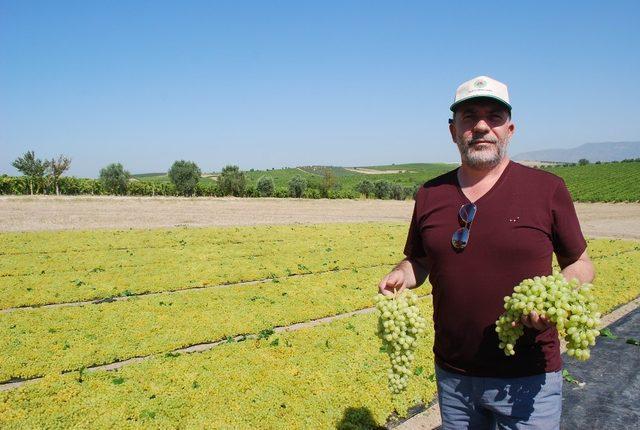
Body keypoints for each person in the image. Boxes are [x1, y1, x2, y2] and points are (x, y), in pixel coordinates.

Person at [378, 75, 595, 429]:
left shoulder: (547, 189)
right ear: (453, 130)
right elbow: (418, 260)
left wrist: (558, 294)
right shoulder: (430, 194)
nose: (481, 126)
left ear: (509, 129)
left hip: (528, 380)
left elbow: (580, 264)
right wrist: (401, 275)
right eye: (469, 117)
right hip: (453, 377)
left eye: (493, 117)